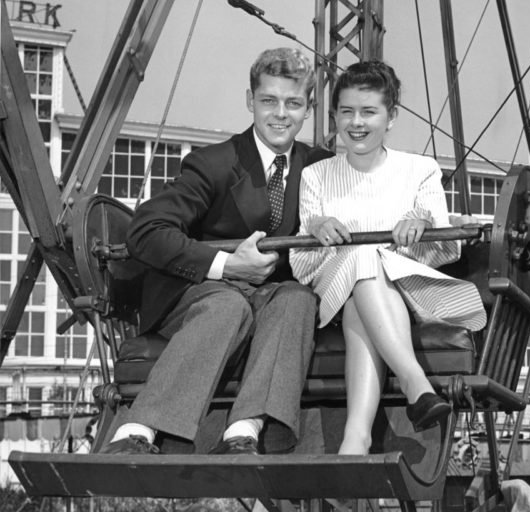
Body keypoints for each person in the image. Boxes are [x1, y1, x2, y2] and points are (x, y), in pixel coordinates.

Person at [100, 47, 332, 456]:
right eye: (268, 101)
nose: (280, 114)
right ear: (250, 101)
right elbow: (146, 231)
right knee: (229, 305)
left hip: (272, 302)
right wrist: (226, 265)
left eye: (293, 103)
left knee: (299, 299)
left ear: (309, 107)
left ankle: (243, 431)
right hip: (203, 296)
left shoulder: (321, 166)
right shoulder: (214, 163)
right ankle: (136, 431)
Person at [290, 61, 486, 455]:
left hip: (409, 293)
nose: (356, 123)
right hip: (336, 289)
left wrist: (420, 229)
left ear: (391, 116)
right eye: (346, 112)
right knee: (363, 262)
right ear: (334, 116)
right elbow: (299, 266)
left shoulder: (420, 170)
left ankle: (355, 438)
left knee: (363, 287)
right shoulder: (316, 176)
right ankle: (417, 385)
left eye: (369, 112)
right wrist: (316, 233)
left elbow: (449, 248)